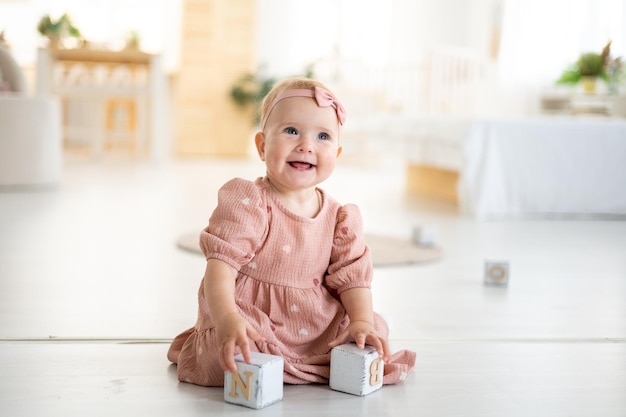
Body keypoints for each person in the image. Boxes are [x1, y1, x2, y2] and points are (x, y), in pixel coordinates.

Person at [167, 77, 416, 386]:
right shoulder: (248, 202)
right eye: (291, 131)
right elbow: (220, 269)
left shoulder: (340, 217)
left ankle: (361, 332)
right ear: (262, 145)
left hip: (313, 322)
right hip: (254, 314)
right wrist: (227, 318)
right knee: (230, 355)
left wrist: (362, 320)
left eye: (322, 135)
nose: (306, 145)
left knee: (363, 329)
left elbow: (353, 278)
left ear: (336, 154)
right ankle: (252, 356)